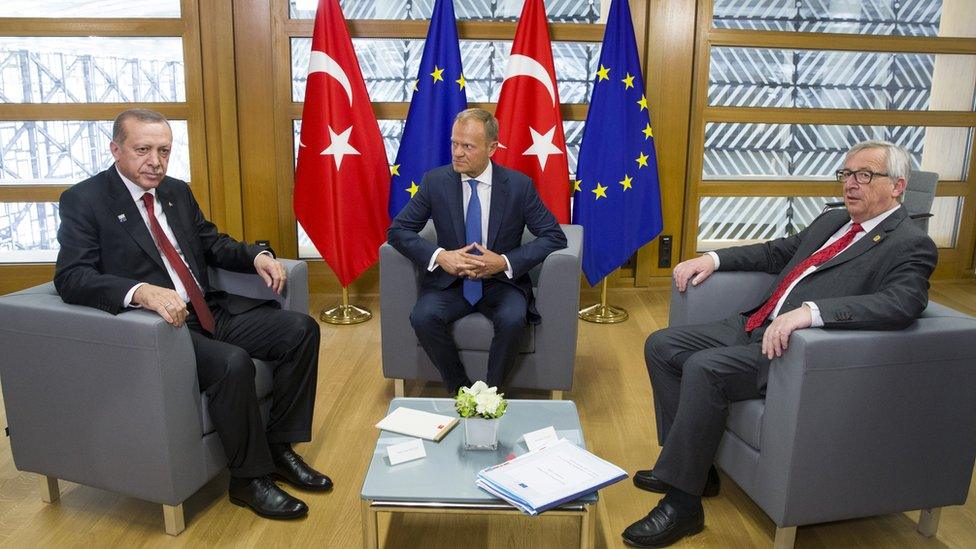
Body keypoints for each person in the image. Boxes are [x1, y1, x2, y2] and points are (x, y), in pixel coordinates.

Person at [622, 140, 938, 547]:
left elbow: (903, 301)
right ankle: (694, 469)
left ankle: (682, 503)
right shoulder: (833, 221)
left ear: (898, 185)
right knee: (662, 345)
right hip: (755, 322)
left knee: (704, 367)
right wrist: (713, 259)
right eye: (846, 174)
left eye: (865, 175)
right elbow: (776, 252)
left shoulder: (909, 242)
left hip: (793, 349)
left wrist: (811, 313)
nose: (850, 184)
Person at [54, 109, 331, 521]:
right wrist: (139, 292)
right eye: (143, 149)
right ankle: (248, 480)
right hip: (161, 328)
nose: (155, 161)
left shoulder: (176, 191)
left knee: (300, 330)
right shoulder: (85, 200)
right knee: (231, 363)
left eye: (163, 150)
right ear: (116, 149)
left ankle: (279, 450)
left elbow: (210, 242)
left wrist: (256, 254)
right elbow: (72, 276)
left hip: (209, 310)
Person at [387, 108, 567, 394]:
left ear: (492, 148)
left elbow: (554, 236)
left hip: (500, 283)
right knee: (422, 316)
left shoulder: (519, 186)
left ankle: (490, 395)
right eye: (454, 143)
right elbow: (398, 231)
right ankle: (462, 391)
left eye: (467, 146)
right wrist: (441, 256)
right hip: (451, 284)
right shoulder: (435, 182)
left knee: (512, 319)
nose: (457, 153)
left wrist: (504, 261)